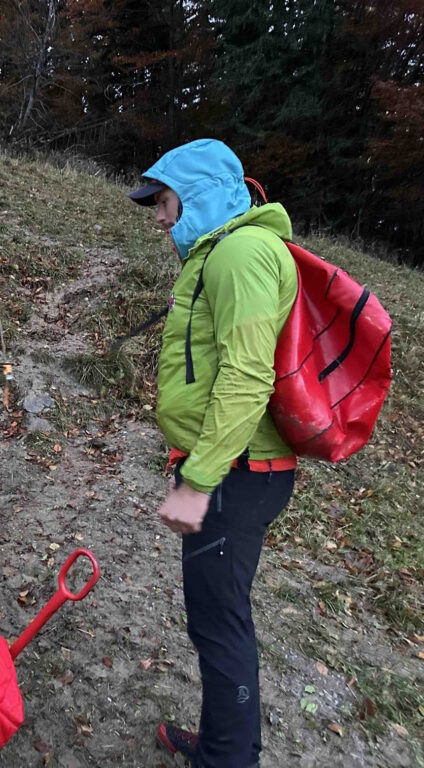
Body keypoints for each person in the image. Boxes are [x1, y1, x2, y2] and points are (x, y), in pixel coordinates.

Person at [128, 139, 298, 767]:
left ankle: (226, 760)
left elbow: (247, 379)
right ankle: (224, 745)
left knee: (219, 624)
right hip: (234, 468)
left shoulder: (241, 254)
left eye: (165, 200)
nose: (159, 216)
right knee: (219, 617)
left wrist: (198, 481)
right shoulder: (223, 255)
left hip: (236, 472)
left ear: (196, 196)